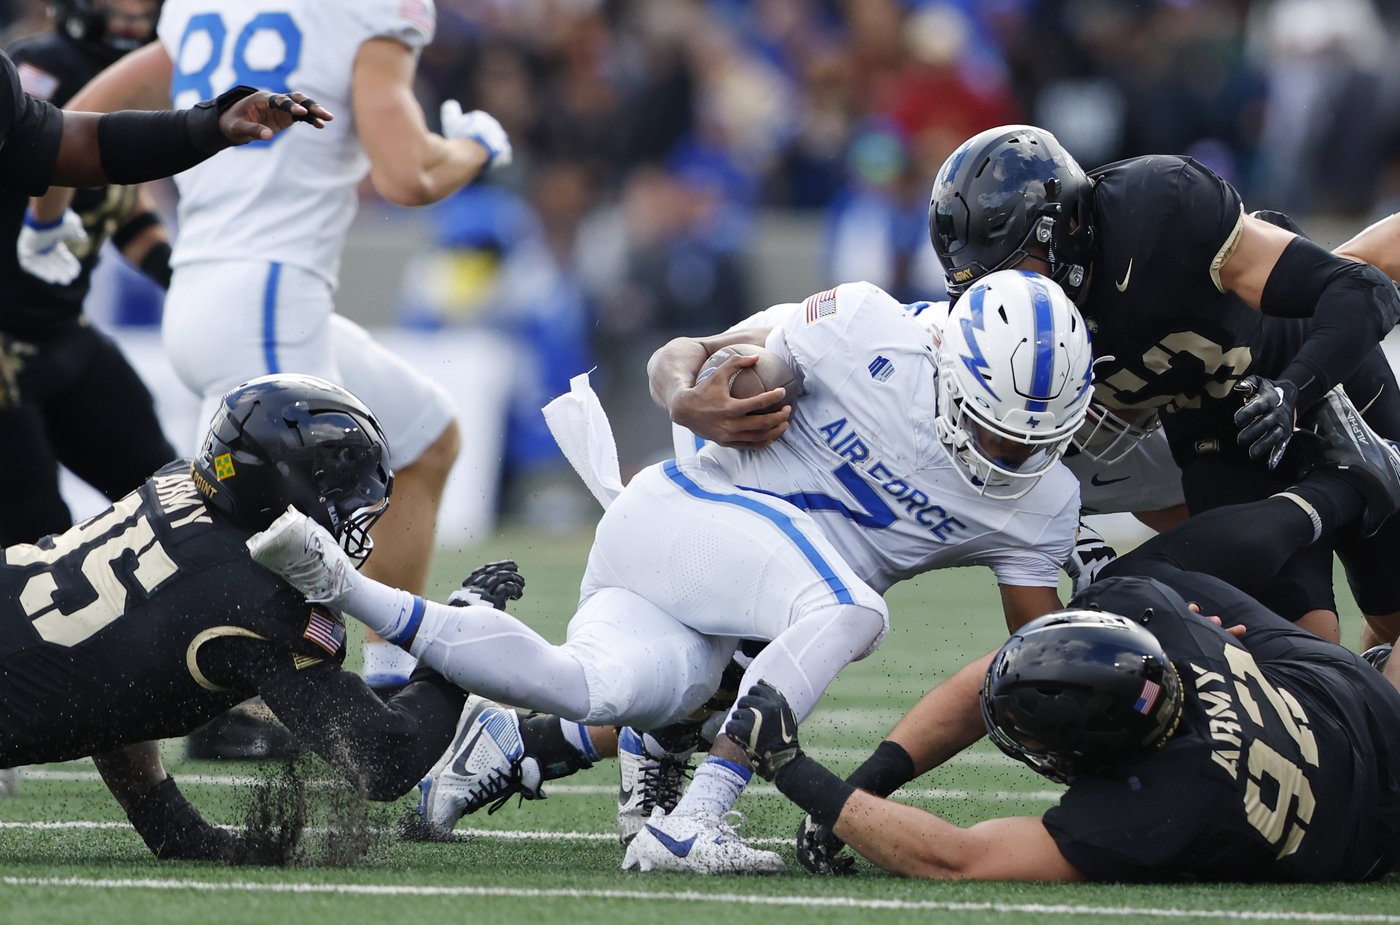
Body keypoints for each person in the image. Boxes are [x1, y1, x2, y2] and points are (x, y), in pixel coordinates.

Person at [248, 269, 1095, 874]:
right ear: (950, 370)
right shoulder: (868, 331)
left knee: (591, 686)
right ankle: (693, 821)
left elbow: (1034, 650)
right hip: (687, 514)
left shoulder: (1042, 500)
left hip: (732, 593)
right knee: (849, 607)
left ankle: (372, 613)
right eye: (995, 431)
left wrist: (1096, 715)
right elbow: (685, 356)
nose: (1013, 454)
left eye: (1035, 439)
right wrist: (686, 398)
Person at [28, 0, 512, 693]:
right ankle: (189, 704)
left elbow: (77, 120)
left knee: (428, 434)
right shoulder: (368, 5)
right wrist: (479, 147)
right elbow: (407, 174)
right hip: (267, 303)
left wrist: (43, 226)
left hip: (217, 296)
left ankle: (390, 677)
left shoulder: (204, 1)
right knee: (269, 543)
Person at [730, 386, 1400, 881]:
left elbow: (957, 857)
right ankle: (1347, 498)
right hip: (1340, 696)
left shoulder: (1156, 805)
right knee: (1168, 578)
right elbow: (1016, 669)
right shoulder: (1154, 617)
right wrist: (867, 781)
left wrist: (797, 771)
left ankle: (1346, 515)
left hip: (1379, 802)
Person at [0, 373, 514, 862]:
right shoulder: (257, 596)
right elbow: (383, 759)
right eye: (339, 489)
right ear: (284, 487)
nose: (356, 513)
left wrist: (172, 828)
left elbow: (110, 664)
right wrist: (457, 643)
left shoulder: (182, 485)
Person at [930, 125, 1400, 645]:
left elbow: (1358, 285)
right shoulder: (1002, 333)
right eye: (980, 283)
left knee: (1393, 611)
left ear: (1063, 226)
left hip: (1313, 373)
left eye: (1012, 266)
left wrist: (1295, 390)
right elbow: (1036, 488)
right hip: (1220, 434)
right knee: (1301, 645)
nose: (1005, 294)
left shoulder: (1158, 209)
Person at [2, 0, 179, 545]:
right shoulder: (40, 70)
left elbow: (119, 203)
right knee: (35, 543)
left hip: (64, 333)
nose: (132, 9)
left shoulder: (145, 72)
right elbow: (57, 161)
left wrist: (176, 274)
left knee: (171, 502)